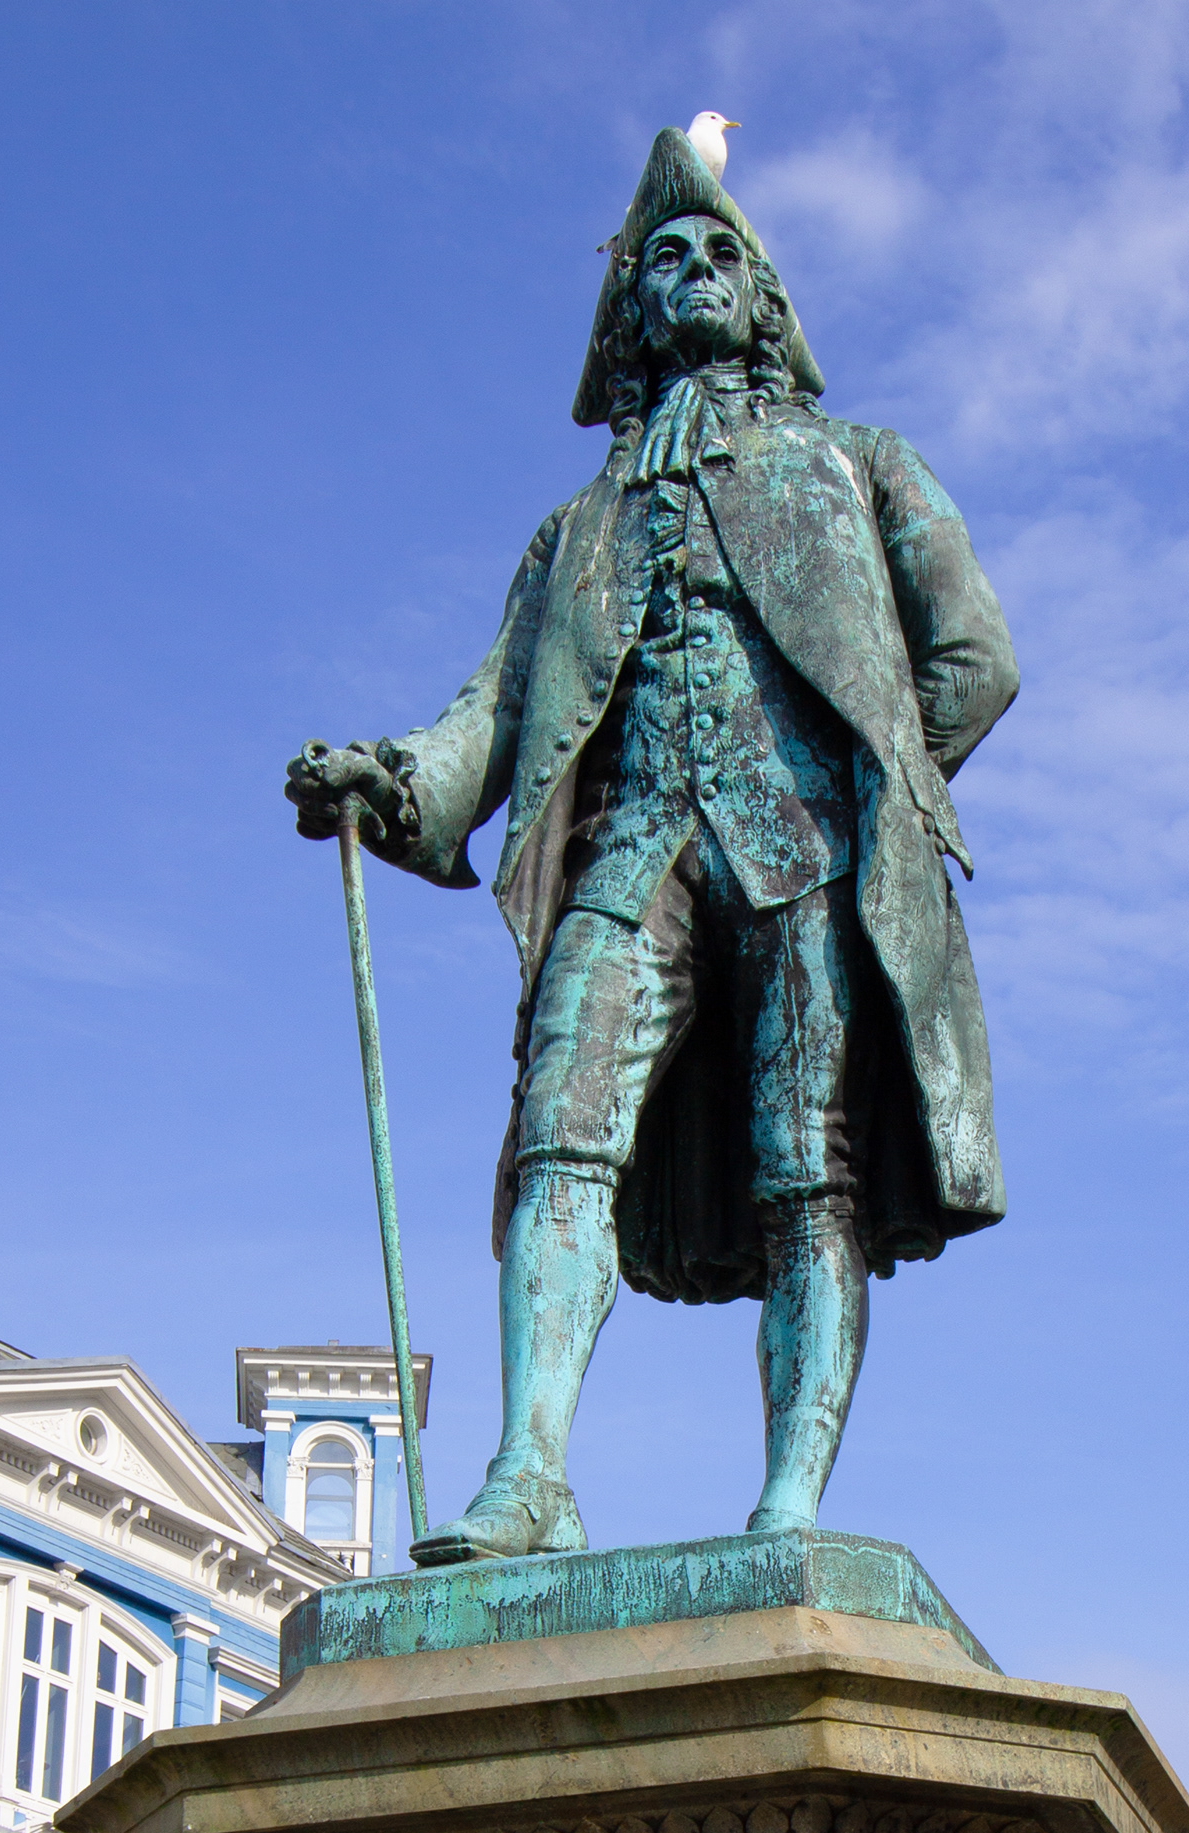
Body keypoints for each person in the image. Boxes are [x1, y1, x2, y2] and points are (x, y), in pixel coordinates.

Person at [288, 127, 1017, 1563]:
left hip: (807, 852)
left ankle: (788, 1509)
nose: (692, 269)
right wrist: (398, 781)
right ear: (626, 315)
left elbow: (975, 659)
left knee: (811, 1171)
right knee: (556, 1131)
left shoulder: (864, 465)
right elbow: (494, 714)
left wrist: (880, 775)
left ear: (766, 305)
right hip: (632, 853)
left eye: (721, 254)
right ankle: (531, 1478)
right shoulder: (575, 530)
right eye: (663, 258)